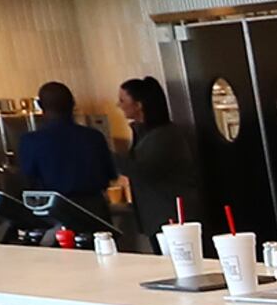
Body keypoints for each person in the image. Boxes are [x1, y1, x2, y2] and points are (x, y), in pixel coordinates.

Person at [114, 76, 202, 249]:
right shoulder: (145, 133)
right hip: (157, 214)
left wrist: (107, 155)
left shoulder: (164, 136)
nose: (119, 105)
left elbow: (143, 171)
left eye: (122, 100)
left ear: (139, 105)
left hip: (171, 214)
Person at [13, 80, 117, 210]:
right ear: (73, 103)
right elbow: (110, 175)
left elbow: (27, 181)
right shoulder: (94, 136)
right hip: (94, 210)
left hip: (54, 210)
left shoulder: (30, 141)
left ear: (40, 105)